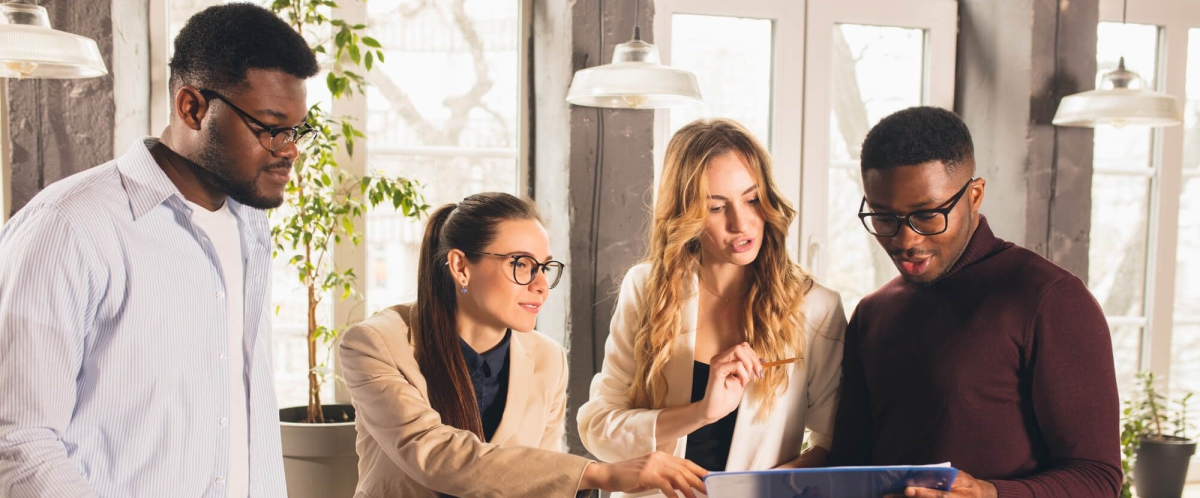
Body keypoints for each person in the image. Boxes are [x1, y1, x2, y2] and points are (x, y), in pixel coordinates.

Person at [0, 4, 319, 497]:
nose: (289, 149)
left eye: (297, 130)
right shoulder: (68, 228)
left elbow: (237, 410)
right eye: (270, 126)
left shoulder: (249, 223)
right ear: (192, 107)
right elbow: (18, 440)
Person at [826, 106, 1121, 498]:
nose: (905, 240)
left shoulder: (1050, 300)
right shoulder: (872, 313)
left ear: (975, 194)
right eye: (884, 218)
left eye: (927, 215)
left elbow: (1098, 479)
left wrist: (988, 493)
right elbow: (849, 466)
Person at [338, 192, 708, 498]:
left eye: (544, 268)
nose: (541, 285)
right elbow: (433, 453)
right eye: (521, 264)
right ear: (460, 267)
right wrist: (600, 474)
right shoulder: (375, 344)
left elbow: (537, 480)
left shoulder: (548, 359)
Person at [577, 118, 847, 497]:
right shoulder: (646, 289)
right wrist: (702, 412)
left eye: (752, 199)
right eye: (717, 207)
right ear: (685, 214)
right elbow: (598, 429)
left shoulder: (816, 307)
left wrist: (761, 489)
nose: (741, 223)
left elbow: (829, 442)